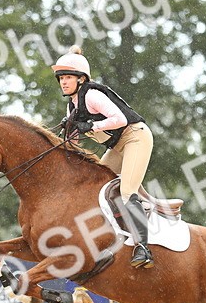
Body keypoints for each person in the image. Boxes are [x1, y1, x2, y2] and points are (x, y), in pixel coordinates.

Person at [52, 46, 156, 269]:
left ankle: (143, 248)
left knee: (127, 192)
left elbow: (120, 119)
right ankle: (106, 240)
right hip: (116, 147)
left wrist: (91, 125)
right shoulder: (72, 106)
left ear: (81, 79)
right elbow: (73, 143)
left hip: (135, 137)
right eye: (61, 78)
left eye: (68, 77)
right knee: (93, 187)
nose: (63, 82)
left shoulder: (92, 95)